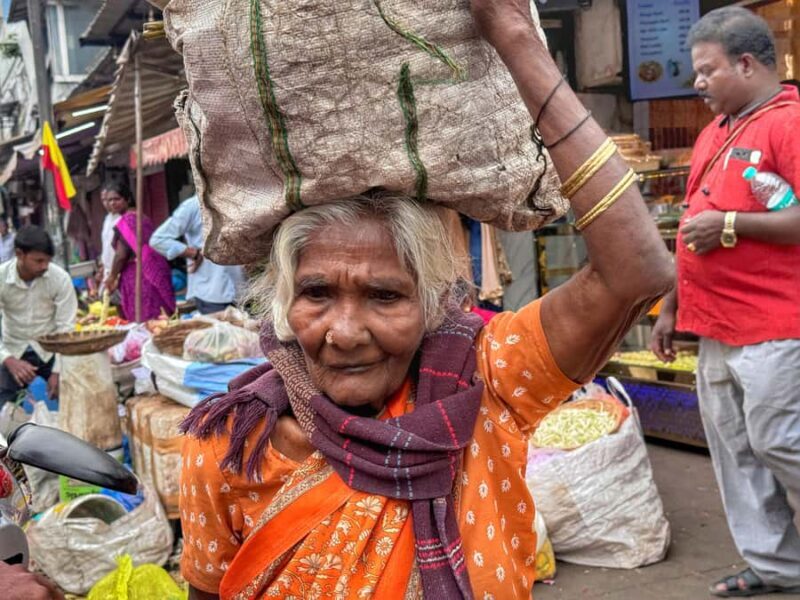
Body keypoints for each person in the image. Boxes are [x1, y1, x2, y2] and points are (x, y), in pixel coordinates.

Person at [177, 2, 673, 599]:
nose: (345, 331)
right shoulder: (229, 444)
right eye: (316, 293)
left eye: (385, 296)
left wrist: (514, 36)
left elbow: (636, 272)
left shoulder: (485, 382)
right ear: (281, 302)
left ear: (435, 304)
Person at [650, 7, 800, 597]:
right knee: (735, 449)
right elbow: (693, 224)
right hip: (714, 321)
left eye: (707, 70)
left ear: (746, 64)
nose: (698, 83)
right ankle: (777, 565)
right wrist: (670, 307)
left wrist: (733, 224)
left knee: (778, 440)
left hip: (776, 320)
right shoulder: (717, 131)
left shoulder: (788, 123)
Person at [0, 227, 76, 406]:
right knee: (4, 406)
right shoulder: (2, 278)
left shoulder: (60, 278)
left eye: (48, 261)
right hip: (14, 348)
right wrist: (7, 359)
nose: (44, 266)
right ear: (20, 254)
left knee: (74, 397)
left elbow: (66, 327)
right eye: (39, 261)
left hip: (51, 349)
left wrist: (58, 371)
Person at [151, 195, 245, 314]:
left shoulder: (240, 201)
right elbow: (158, 239)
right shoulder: (193, 206)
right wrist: (193, 253)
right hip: (211, 292)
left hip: (243, 289)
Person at [102, 181, 176, 321]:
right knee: (159, 317)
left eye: (117, 199)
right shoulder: (140, 216)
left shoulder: (129, 220)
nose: (112, 203)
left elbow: (121, 255)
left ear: (127, 199)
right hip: (152, 269)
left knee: (147, 318)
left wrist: (112, 277)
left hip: (141, 274)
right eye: (109, 200)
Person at [97, 185, 125, 293]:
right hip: (108, 271)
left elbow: (120, 254)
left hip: (119, 270)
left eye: (114, 199)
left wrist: (113, 275)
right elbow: (106, 246)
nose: (108, 203)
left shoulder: (123, 219)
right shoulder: (107, 219)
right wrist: (102, 267)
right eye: (104, 200)